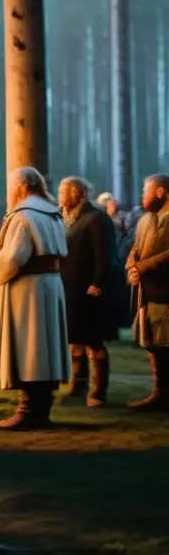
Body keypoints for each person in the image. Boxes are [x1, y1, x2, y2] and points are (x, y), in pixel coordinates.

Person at [0, 167, 70, 430]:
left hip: (29, 291)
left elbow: (13, 258)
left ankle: (29, 410)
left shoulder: (23, 216)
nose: (10, 192)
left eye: (12, 186)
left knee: (31, 348)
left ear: (22, 186)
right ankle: (40, 409)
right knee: (44, 348)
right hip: (50, 286)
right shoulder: (51, 213)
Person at [58, 177, 122, 407]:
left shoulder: (96, 218)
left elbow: (105, 256)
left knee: (94, 341)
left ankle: (98, 390)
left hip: (89, 288)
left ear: (76, 193)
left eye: (63, 192)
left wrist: (98, 283)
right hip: (69, 287)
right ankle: (78, 384)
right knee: (74, 339)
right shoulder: (65, 219)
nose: (60, 196)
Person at [125, 173, 169, 411]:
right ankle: (160, 394)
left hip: (166, 291)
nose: (143, 196)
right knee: (154, 345)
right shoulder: (146, 220)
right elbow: (135, 248)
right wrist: (132, 267)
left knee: (166, 344)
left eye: (146, 191)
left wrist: (143, 267)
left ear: (160, 192)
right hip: (148, 292)